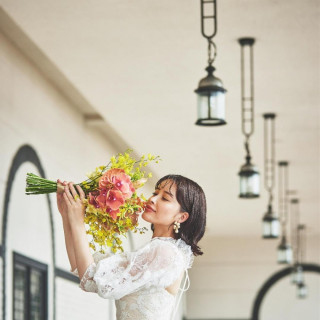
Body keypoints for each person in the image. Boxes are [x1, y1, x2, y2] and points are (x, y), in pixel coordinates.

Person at [56, 174, 207, 320]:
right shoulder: (157, 250)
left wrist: (77, 220)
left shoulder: (165, 252)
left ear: (181, 217)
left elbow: (90, 279)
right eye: (155, 193)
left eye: (165, 198)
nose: (152, 199)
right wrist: (67, 216)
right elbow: (80, 268)